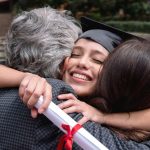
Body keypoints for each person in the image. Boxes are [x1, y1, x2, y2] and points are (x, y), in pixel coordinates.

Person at [0, 10, 150, 149]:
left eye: (98, 61)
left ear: (115, 76)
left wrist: (104, 117)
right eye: (75, 55)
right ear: (62, 62)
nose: (82, 63)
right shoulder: (56, 95)